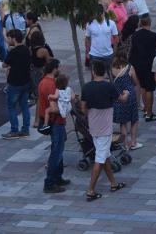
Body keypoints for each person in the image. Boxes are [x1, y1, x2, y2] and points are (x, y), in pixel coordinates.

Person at [81, 59, 128, 201]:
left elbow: (83, 108)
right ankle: (90, 190)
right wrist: (127, 93)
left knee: (105, 155)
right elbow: (122, 99)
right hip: (105, 128)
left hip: (93, 126)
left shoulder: (86, 87)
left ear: (94, 72)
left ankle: (113, 183)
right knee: (100, 159)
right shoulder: (109, 86)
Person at [39, 60, 70, 193]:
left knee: (58, 148)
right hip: (56, 121)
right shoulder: (52, 85)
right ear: (54, 69)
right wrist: (67, 107)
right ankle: (50, 182)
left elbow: (40, 101)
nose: (60, 70)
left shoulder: (42, 82)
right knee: (56, 152)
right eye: (59, 68)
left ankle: (57, 177)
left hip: (51, 121)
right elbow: (55, 107)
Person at [1, 29, 32, 139]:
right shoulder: (26, 50)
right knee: (24, 106)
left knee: (11, 106)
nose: (8, 40)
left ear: (13, 38)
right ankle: (25, 129)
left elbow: (4, 65)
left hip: (14, 83)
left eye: (9, 38)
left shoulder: (13, 52)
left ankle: (14, 130)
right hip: (26, 81)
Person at [111, 54, 140, 150]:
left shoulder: (112, 69)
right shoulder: (130, 68)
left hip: (118, 98)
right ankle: (133, 142)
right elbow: (135, 82)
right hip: (130, 97)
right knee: (134, 120)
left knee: (123, 122)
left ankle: (125, 144)